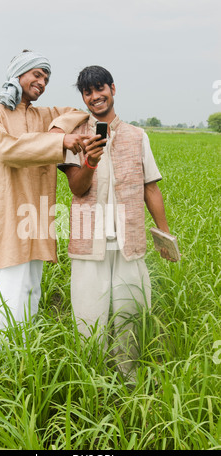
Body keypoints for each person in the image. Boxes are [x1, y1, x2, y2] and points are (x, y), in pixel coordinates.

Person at [57, 65, 176, 380]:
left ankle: (129, 378)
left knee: (130, 316)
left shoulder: (138, 136)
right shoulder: (75, 138)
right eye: (88, 92)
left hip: (129, 242)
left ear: (112, 88)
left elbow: (151, 187)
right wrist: (90, 162)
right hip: (88, 244)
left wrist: (164, 235)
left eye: (100, 89)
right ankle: (91, 381)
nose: (96, 97)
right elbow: (77, 188)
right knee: (88, 319)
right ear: (83, 97)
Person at [0, 50, 89, 338]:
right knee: (0, 284)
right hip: (3, 213)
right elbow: (6, 149)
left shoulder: (44, 115)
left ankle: (19, 355)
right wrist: (58, 141)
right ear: (18, 74)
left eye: (46, 78)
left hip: (34, 215)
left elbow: (80, 112)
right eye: (36, 74)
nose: (42, 82)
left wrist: (57, 130)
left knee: (28, 286)